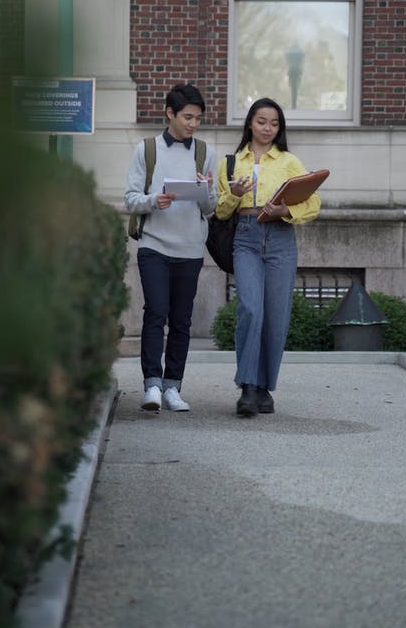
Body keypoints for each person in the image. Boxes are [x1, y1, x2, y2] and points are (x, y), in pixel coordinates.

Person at [214, 97, 321, 416]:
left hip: (280, 238)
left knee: (276, 315)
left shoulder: (289, 161)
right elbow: (219, 211)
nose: (268, 128)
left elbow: (313, 204)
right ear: (250, 123)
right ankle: (247, 386)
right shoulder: (231, 162)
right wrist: (233, 195)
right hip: (245, 237)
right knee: (250, 309)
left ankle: (263, 388)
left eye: (274, 123)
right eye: (262, 121)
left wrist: (285, 210)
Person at [125, 83, 217, 412]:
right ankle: (151, 384)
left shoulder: (206, 153)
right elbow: (130, 199)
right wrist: (155, 200)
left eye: (198, 118)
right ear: (170, 113)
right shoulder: (147, 150)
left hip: (190, 250)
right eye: (188, 117)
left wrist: (205, 190)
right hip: (154, 246)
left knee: (181, 321)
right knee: (156, 313)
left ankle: (172, 387)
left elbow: (211, 209)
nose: (193, 124)